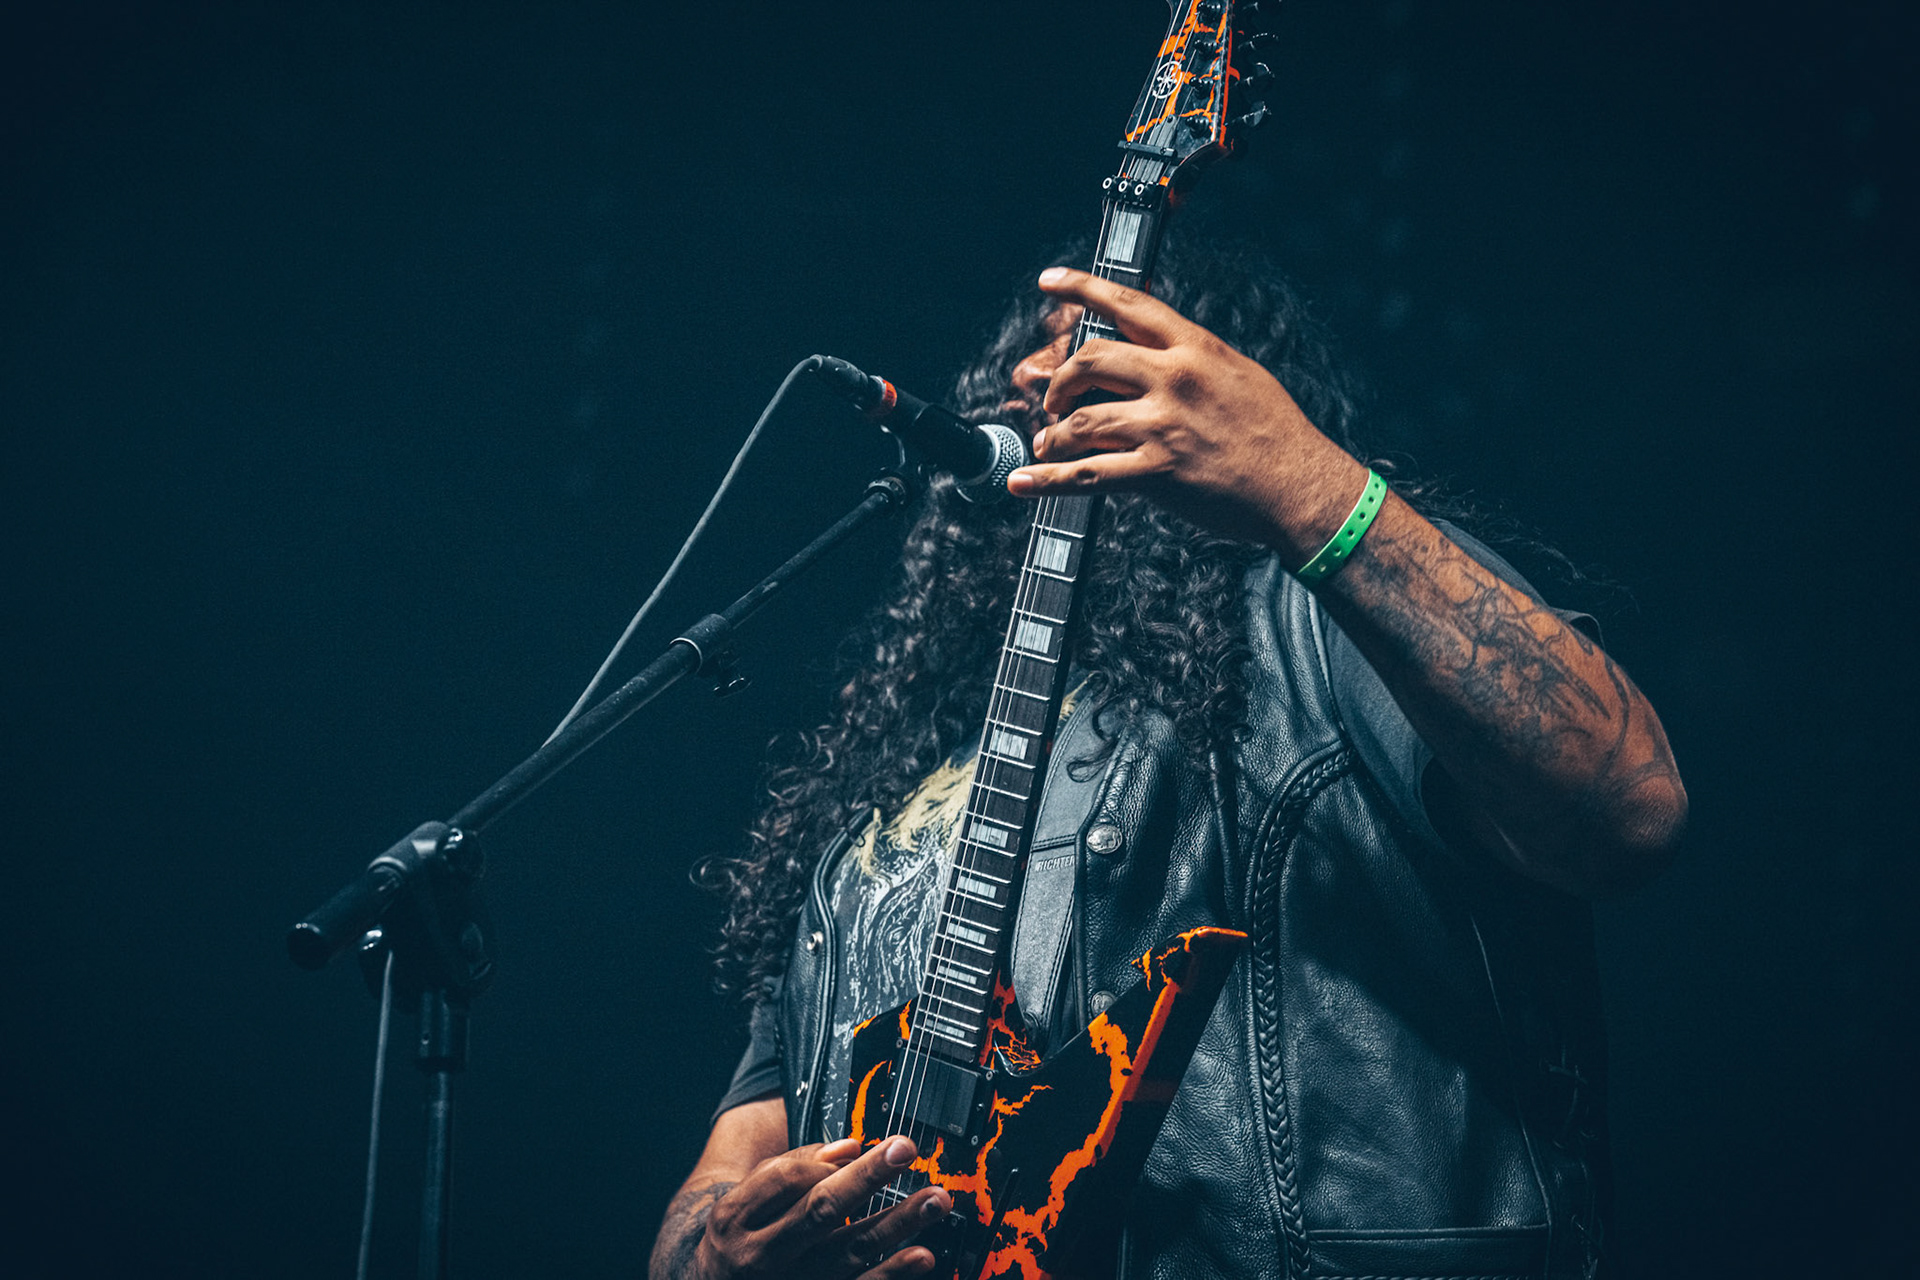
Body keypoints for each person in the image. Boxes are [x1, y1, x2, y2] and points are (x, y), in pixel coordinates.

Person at [649, 243, 1687, 1280]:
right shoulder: (876, 803)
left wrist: (1305, 479)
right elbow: (725, 1172)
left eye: (1103, 357)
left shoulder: (1320, 629)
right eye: (1031, 354)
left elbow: (1628, 806)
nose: (1037, 378)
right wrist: (714, 1256)